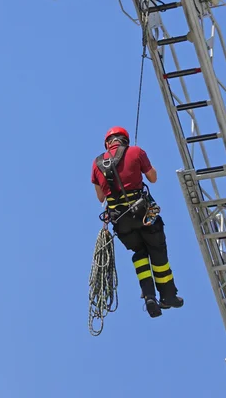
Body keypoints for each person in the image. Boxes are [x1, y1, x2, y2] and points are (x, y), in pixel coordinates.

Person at [91, 126, 184, 318]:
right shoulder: (136, 152)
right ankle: (167, 295)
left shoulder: (97, 163)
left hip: (121, 221)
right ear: (124, 140)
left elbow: (101, 197)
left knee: (140, 253)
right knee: (157, 252)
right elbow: (153, 178)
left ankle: (149, 296)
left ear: (108, 144)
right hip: (143, 214)